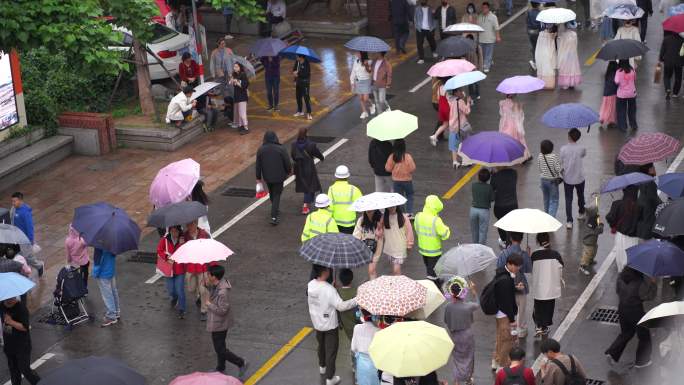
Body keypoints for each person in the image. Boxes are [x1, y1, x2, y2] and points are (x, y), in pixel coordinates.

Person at [308, 264, 357, 385]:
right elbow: (341, 306)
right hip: (329, 324)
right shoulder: (329, 290)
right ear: (324, 271)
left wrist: (331, 288)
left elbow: (321, 296)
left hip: (317, 322)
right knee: (331, 350)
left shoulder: (311, 285)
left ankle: (322, 366)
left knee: (321, 345)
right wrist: (356, 300)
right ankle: (330, 378)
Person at [605, 266, 656, 368]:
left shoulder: (620, 277)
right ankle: (642, 361)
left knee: (626, 333)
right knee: (644, 336)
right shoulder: (640, 282)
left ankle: (612, 352)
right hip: (635, 311)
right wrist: (653, 283)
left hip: (622, 308)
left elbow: (617, 291)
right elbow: (648, 296)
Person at [204, 265, 249, 378]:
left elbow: (222, 310)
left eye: (209, 274)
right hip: (219, 322)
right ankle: (220, 367)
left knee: (220, 349)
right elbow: (211, 289)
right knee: (221, 347)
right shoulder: (217, 285)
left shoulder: (222, 292)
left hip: (219, 323)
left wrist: (209, 305)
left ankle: (240, 362)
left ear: (214, 276)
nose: (207, 275)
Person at [443, 277, 479, 385]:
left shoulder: (448, 307)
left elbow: (446, 321)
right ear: (461, 292)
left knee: (457, 358)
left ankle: (456, 381)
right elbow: (478, 304)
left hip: (454, 335)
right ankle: (468, 379)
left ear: (451, 293)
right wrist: (474, 291)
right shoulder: (468, 306)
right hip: (467, 334)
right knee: (469, 357)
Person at [497, 231, 532, 338]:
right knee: (521, 310)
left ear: (511, 238)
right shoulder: (524, 254)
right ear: (521, 239)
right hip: (521, 285)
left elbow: (499, 270)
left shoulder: (504, 253)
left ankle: (509, 329)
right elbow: (528, 269)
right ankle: (521, 330)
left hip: (507, 287)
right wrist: (528, 255)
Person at [492, 253, 522, 370]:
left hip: (499, 314)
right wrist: (512, 319)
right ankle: (502, 366)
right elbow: (506, 303)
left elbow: (504, 292)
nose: (518, 268)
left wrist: (514, 288)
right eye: (516, 266)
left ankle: (496, 361)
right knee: (507, 341)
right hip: (504, 315)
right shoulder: (506, 279)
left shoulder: (501, 274)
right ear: (509, 264)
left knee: (500, 339)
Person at [530, 233, 563, 338]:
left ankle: (539, 326)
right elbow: (561, 267)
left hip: (539, 287)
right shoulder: (555, 254)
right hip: (551, 287)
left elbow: (530, 269)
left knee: (538, 306)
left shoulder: (534, 255)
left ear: (538, 241)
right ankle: (544, 327)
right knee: (548, 307)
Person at [256, 131, 292, 225]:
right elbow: (287, 162)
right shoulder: (281, 149)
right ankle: (274, 216)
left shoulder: (261, 149)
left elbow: (258, 165)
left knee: (272, 192)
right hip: (279, 176)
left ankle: (274, 208)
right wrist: (288, 171)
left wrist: (258, 177)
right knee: (277, 194)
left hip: (267, 176)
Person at [2, 297, 41, 385]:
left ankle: (40, 383)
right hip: (9, 345)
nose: (11, 299)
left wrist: (11, 322)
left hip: (22, 345)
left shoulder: (21, 308)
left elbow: (25, 327)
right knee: (13, 371)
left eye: (12, 297)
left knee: (24, 369)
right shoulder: (1, 305)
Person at [414, 195, 451, 283]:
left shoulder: (418, 216)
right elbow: (445, 235)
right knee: (433, 274)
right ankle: (434, 287)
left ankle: (436, 282)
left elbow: (417, 229)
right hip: (434, 251)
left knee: (429, 268)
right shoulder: (436, 220)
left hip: (423, 249)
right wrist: (447, 229)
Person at [606, 186, 641, 272]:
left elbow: (610, 218)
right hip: (634, 239)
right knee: (631, 262)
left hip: (621, 236)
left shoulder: (617, 204)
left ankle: (622, 279)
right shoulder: (639, 206)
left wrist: (614, 225)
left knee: (620, 261)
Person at [291, 127, 324, 215]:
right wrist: (321, 158)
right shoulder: (311, 144)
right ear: (306, 134)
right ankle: (305, 205)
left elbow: (293, 156)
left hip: (298, 168)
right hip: (309, 167)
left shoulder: (294, 144)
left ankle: (308, 201)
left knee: (306, 185)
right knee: (310, 185)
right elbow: (317, 153)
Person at [9, 192, 42, 276]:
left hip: (24, 239)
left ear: (20, 200)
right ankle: (24, 271)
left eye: (14, 201)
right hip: (16, 237)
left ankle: (39, 266)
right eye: (12, 201)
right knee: (18, 255)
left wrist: (30, 240)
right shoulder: (13, 209)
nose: (13, 203)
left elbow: (29, 227)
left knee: (28, 256)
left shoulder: (25, 212)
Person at [157, 226, 186, 319]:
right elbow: (159, 250)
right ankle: (174, 298)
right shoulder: (164, 240)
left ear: (179, 231)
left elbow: (187, 251)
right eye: (172, 231)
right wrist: (166, 256)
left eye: (176, 231)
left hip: (180, 269)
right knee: (171, 290)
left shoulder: (183, 239)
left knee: (180, 290)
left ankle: (182, 309)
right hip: (168, 269)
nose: (174, 233)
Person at [183, 221, 210, 320]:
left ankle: (204, 310)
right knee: (191, 289)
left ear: (195, 224)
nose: (189, 226)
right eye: (188, 225)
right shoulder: (185, 236)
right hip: (190, 266)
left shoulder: (204, 234)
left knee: (204, 290)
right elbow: (182, 249)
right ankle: (198, 296)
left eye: (191, 224)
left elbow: (209, 248)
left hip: (202, 267)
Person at [560, 128, 586, 229]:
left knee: (568, 199)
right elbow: (583, 155)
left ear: (569, 136)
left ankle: (569, 221)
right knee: (580, 195)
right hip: (580, 177)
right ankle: (581, 212)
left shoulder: (563, 149)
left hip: (568, 178)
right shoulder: (582, 148)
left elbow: (561, 160)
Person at [327, 165, 363, 234]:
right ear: (347, 176)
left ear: (336, 176)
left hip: (335, 223)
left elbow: (329, 207)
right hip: (350, 223)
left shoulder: (331, 189)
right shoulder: (353, 189)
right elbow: (361, 206)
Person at [385, 139, 417, 216]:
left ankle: (402, 213)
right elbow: (413, 168)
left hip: (396, 181)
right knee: (409, 195)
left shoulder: (392, 157)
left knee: (399, 197)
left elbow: (387, 169)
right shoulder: (408, 157)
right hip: (407, 180)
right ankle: (409, 212)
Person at [381, 205, 414, 275]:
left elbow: (409, 232)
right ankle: (396, 283)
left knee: (396, 270)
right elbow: (380, 230)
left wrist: (409, 244)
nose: (391, 208)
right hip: (389, 248)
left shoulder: (403, 217)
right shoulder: (384, 218)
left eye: (393, 206)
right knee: (394, 269)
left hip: (400, 248)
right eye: (389, 206)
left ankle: (398, 284)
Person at [490, 167, 518, 247]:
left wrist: (493, 175)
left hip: (500, 206)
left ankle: (504, 240)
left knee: (501, 224)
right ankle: (511, 241)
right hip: (513, 205)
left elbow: (492, 188)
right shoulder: (514, 173)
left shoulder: (495, 176)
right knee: (511, 225)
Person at [351, 309, 380, 385]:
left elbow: (353, 347)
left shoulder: (357, 327)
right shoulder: (378, 331)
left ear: (362, 315)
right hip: (374, 364)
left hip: (361, 362)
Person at [92, 248, 120, 327]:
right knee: (113, 292)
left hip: (102, 274)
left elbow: (97, 263)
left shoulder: (98, 246)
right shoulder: (113, 243)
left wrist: (94, 274)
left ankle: (111, 316)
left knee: (107, 295)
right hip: (111, 271)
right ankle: (116, 311)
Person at [353, 210, 384, 279]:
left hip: (376, 248)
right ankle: (373, 285)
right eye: (367, 210)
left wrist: (380, 232)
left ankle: (373, 287)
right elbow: (356, 236)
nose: (369, 211)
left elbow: (387, 233)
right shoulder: (361, 220)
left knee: (371, 270)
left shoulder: (381, 219)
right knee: (372, 271)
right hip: (366, 248)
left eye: (371, 210)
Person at [498, 94, 529, 159]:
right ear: (514, 96)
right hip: (512, 124)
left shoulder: (501, 102)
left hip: (503, 124)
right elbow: (518, 115)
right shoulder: (515, 104)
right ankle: (521, 155)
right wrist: (520, 108)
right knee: (517, 139)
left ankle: (505, 155)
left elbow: (501, 113)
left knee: (504, 140)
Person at [447, 89, 472, 168]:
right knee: (464, 143)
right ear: (456, 93)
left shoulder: (450, 100)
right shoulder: (460, 101)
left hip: (452, 125)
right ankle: (465, 161)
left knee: (454, 145)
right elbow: (467, 111)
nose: (462, 92)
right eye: (460, 91)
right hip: (461, 126)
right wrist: (468, 102)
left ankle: (455, 161)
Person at [636, 163, 661, 241]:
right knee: (648, 241)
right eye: (653, 167)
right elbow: (654, 199)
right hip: (648, 217)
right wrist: (666, 205)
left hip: (643, 217)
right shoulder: (650, 183)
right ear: (649, 170)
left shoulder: (642, 180)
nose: (655, 169)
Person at [538, 140, 562, 218]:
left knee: (546, 199)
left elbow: (540, 168)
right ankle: (551, 218)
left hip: (543, 180)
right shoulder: (553, 157)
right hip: (552, 181)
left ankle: (546, 215)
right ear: (551, 148)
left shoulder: (540, 156)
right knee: (554, 200)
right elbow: (558, 169)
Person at [470, 168, 493, 245]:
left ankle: (475, 246)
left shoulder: (474, 185)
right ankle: (481, 248)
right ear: (488, 178)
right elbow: (492, 199)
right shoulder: (489, 187)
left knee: (474, 230)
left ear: (478, 177)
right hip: (484, 211)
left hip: (473, 210)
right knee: (482, 231)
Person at [579, 205, 604, 275]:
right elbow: (598, 231)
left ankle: (590, 260)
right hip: (588, 241)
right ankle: (582, 266)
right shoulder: (592, 222)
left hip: (592, 241)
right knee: (587, 254)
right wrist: (601, 225)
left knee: (594, 250)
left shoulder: (588, 217)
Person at [614, 59, 638, 132]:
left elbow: (616, 82)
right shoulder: (632, 70)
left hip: (621, 94)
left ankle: (623, 126)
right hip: (632, 93)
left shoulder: (619, 71)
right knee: (632, 110)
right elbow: (635, 79)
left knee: (621, 110)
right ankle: (633, 124)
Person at [659, 31, 684, 99]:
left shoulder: (666, 39)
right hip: (679, 61)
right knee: (678, 77)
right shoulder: (682, 40)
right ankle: (675, 93)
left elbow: (662, 50)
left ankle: (668, 89)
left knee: (667, 76)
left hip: (668, 61)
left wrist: (661, 58)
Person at [477, 2, 501, 73]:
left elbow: (496, 28)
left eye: (485, 8)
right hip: (481, 39)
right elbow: (477, 26)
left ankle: (486, 66)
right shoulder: (480, 16)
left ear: (488, 8)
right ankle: (488, 61)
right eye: (482, 8)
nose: (483, 9)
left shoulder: (493, 17)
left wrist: (498, 37)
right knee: (482, 54)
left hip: (490, 39)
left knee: (488, 53)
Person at [557, 22, 582, 89]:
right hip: (572, 54)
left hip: (565, 54)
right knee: (572, 68)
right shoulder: (574, 34)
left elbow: (560, 46)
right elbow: (576, 44)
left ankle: (565, 83)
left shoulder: (562, 35)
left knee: (565, 69)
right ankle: (572, 82)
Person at [65, 224, 89, 289]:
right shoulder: (81, 240)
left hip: (75, 261)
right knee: (85, 273)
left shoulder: (67, 241)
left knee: (77, 274)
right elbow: (87, 243)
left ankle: (78, 286)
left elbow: (68, 253)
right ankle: (85, 286)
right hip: (84, 260)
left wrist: (68, 260)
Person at [350, 51, 374, 119]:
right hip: (358, 81)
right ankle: (364, 112)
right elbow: (353, 72)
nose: (356, 54)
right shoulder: (356, 61)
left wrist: (366, 65)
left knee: (365, 99)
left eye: (358, 53)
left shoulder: (369, 61)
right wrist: (352, 83)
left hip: (366, 81)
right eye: (356, 53)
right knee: (361, 98)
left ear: (362, 54)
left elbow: (370, 72)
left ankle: (372, 105)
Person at [336, 269, 357, 342]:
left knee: (351, 340)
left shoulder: (337, 293)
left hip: (345, 323)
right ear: (352, 278)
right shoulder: (356, 291)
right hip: (356, 322)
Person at [229, 62, 250, 134]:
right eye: (234, 67)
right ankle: (241, 126)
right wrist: (232, 80)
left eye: (236, 67)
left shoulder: (243, 75)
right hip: (237, 96)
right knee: (239, 112)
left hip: (242, 96)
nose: (235, 68)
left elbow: (244, 86)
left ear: (240, 67)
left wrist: (237, 82)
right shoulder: (234, 75)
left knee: (242, 112)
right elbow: (230, 83)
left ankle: (246, 127)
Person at [429, 79, 451, 147]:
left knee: (445, 123)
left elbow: (438, 98)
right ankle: (435, 135)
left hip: (441, 107)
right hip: (446, 108)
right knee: (448, 123)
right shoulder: (447, 89)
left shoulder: (439, 87)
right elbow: (449, 100)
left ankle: (435, 136)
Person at [536, 24, 558, 89]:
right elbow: (553, 49)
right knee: (548, 69)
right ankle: (548, 84)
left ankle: (540, 83)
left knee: (542, 68)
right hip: (548, 54)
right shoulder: (551, 36)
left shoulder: (540, 34)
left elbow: (537, 47)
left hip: (541, 54)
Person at [599, 61, 619, 128]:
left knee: (605, 106)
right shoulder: (615, 74)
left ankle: (602, 118)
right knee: (611, 108)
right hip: (612, 93)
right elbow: (617, 83)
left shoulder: (608, 73)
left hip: (606, 93)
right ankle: (611, 121)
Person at [293, 54, 313, 120]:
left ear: (301, 57)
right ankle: (300, 111)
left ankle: (309, 113)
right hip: (298, 82)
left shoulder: (306, 63)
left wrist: (297, 73)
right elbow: (294, 69)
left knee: (306, 98)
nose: (296, 57)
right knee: (298, 97)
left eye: (297, 56)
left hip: (305, 83)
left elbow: (306, 74)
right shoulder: (297, 62)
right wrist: (295, 79)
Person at [464, 34, 483, 100]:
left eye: (469, 39)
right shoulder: (465, 48)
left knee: (476, 82)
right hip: (468, 68)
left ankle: (477, 93)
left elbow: (480, 58)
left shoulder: (477, 47)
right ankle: (471, 95)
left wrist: (480, 68)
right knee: (470, 83)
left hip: (476, 68)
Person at [527, 2, 542, 70]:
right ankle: (538, 62)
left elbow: (527, 21)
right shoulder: (540, 13)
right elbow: (541, 24)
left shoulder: (529, 12)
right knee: (538, 47)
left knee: (534, 47)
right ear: (538, 5)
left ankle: (535, 61)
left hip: (530, 31)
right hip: (538, 31)